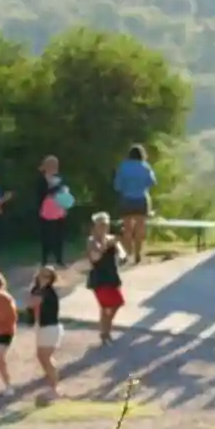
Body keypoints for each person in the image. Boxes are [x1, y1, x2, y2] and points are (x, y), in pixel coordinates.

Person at [86, 213, 127, 344]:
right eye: (101, 225)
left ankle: (105, 332)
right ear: (95, 227)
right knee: (111, 304)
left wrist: (122, 256)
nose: (104, 228)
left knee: (115, 304)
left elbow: (122, 252)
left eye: (106, 225)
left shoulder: (111, 239)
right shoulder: (91, 241)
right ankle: (105, 330)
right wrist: (105, 246)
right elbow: (95, 258)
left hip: (112, 276)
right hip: (99, 278)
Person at [113, 145, 157, 264]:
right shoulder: (145, 166)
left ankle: (128, 252)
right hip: (141, 199)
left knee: (127, 229)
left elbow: (117, 186)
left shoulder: (123, 166)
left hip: (126, 199)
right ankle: (138, 254)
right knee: (140, 228)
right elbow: (152, 182)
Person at [29, 266, 63, 403]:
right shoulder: (36, 290)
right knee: (41, 356)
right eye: (42, 275)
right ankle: (51, 380)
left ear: (51, 279)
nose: (43, 278)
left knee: (46, 357)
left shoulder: (49, 292)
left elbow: (33, 303)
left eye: (47, 276)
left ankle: (55, 389)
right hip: (41, 326)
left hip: (51, 327)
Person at [36, 155, 72, 269]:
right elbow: (41, 193)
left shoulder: (60, 178)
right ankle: (45, 259)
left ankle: (59, 259)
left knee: (59, 235)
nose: (54, 167)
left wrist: (65, 203)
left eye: (56, 165)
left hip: (59, 209)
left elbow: (65, 192)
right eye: (52, 165)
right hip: (46, 211)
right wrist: (53, 189)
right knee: (47, 235)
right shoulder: (41, 179)